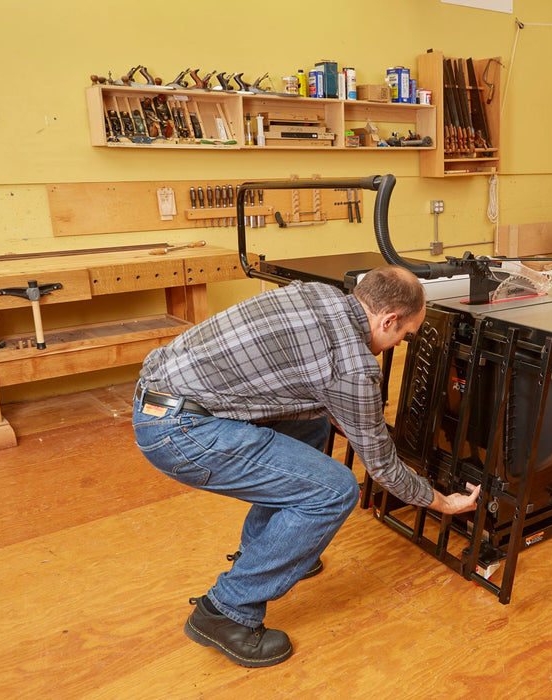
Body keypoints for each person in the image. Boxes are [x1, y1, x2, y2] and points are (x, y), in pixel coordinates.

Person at [132, 265, 480, 668]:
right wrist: (442, 502)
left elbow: (310, 392)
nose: (401, 343)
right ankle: (226, 610)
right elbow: (382, 469)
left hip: (159, 394)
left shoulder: (320, 292)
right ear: (388, 320)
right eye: (405, 334)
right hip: (180, 434)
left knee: (312, 425)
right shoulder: (352, 367)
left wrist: (359, 421)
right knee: (336, 490)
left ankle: (262, 552)